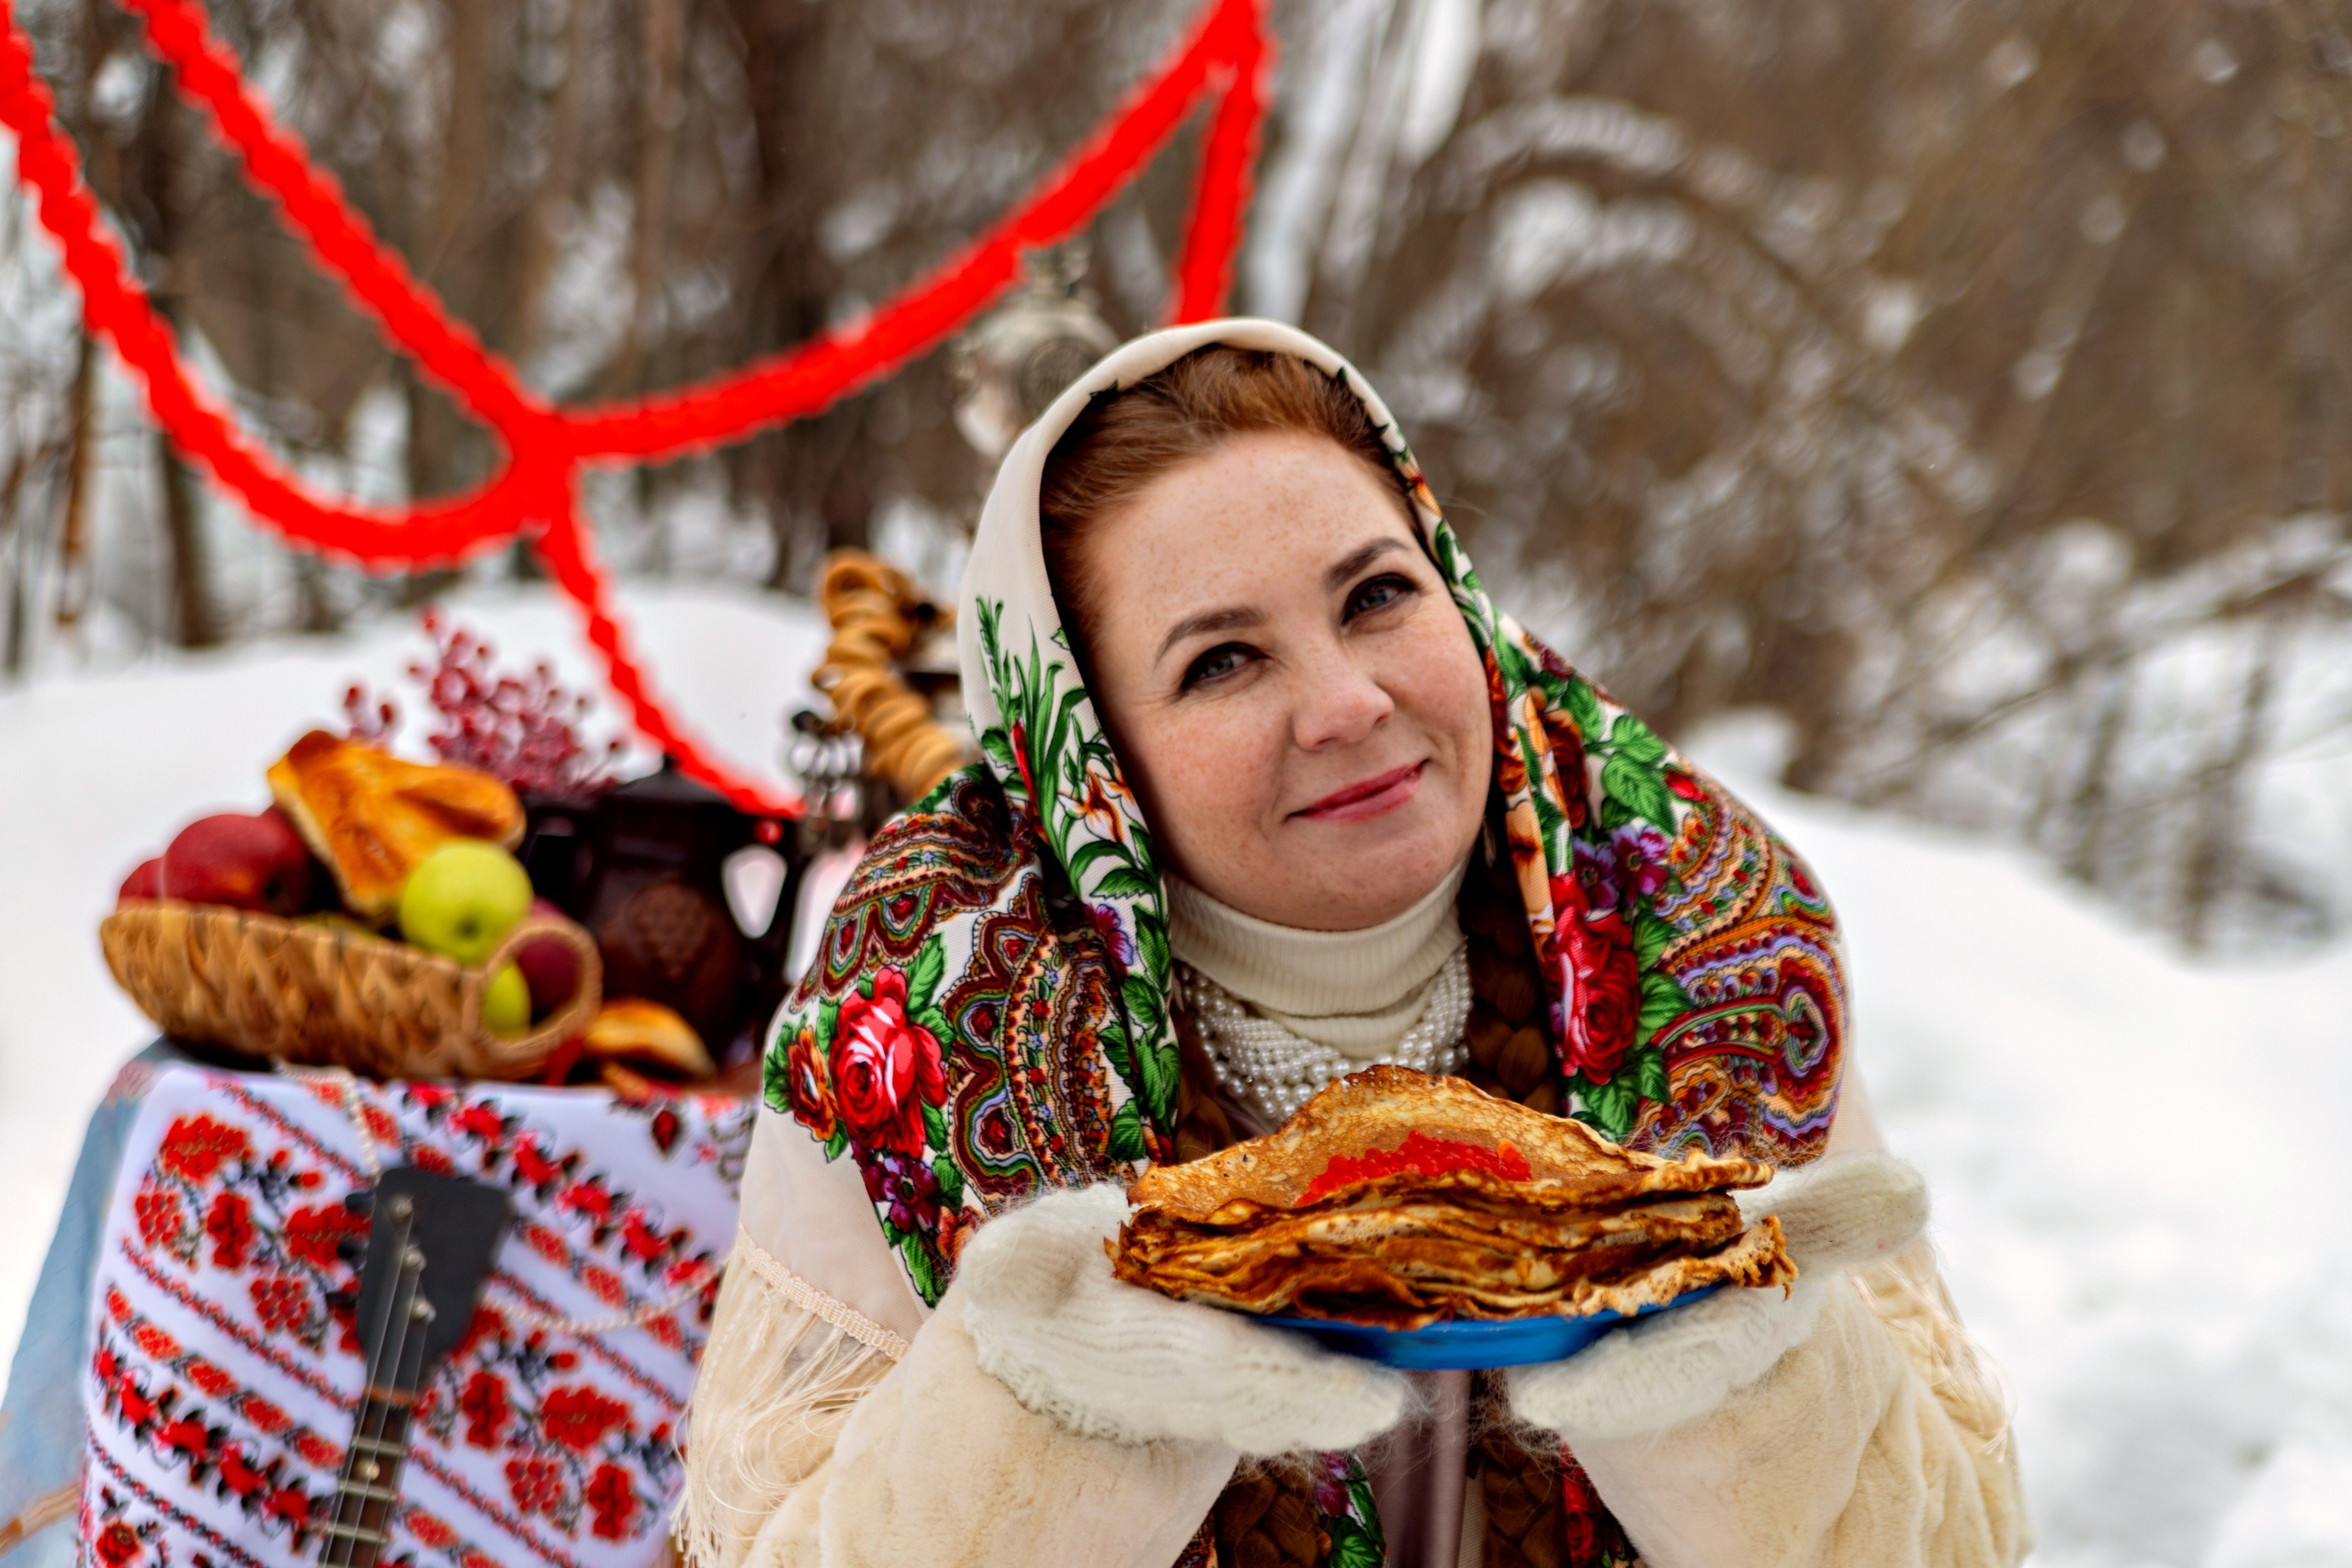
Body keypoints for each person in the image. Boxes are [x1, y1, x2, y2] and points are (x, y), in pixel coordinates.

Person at [675, 321, 2028, 1568]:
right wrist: (1048, 1418)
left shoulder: (1687, 921)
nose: (1346, 701)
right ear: (1092, 754)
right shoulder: (925, 1016)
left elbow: (1961, 1541)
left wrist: (1760, 1387)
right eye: (1221, 662)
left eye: (1377, 596)